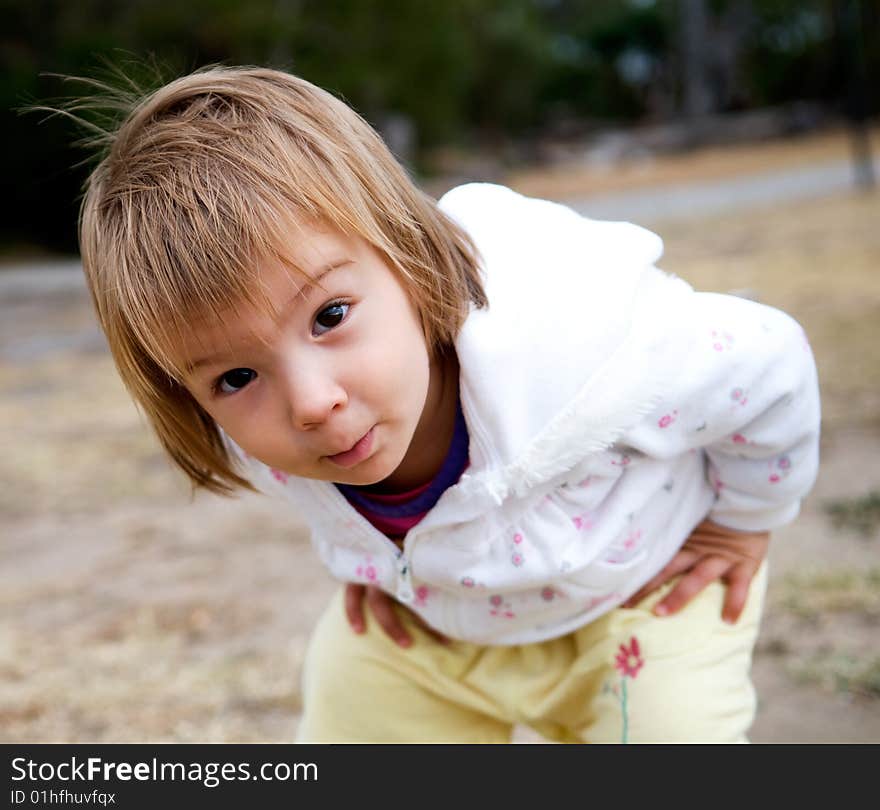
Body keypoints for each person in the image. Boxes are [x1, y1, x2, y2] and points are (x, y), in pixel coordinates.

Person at [77, 65, 820, 743]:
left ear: (408, 256)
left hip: (638, 598)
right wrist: (370, 564)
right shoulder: (265, 435)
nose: (310, 403)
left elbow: (770, 360)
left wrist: (742, 525)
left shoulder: (581, 360)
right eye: (235, 378)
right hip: (437, 631)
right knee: (346, 703)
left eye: (330, 317)